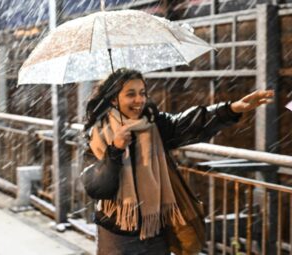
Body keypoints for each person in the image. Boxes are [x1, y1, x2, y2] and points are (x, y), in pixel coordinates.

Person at [81, 68, 274, 255]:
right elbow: (97, 187)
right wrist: (115, 149)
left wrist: (230, 109)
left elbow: (189, 123)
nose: (139, 100)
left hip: (155, 230)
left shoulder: (153, 125)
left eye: (142, 93)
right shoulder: (97, 135)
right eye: (131, 94)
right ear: (114, 98)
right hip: (116, 236)